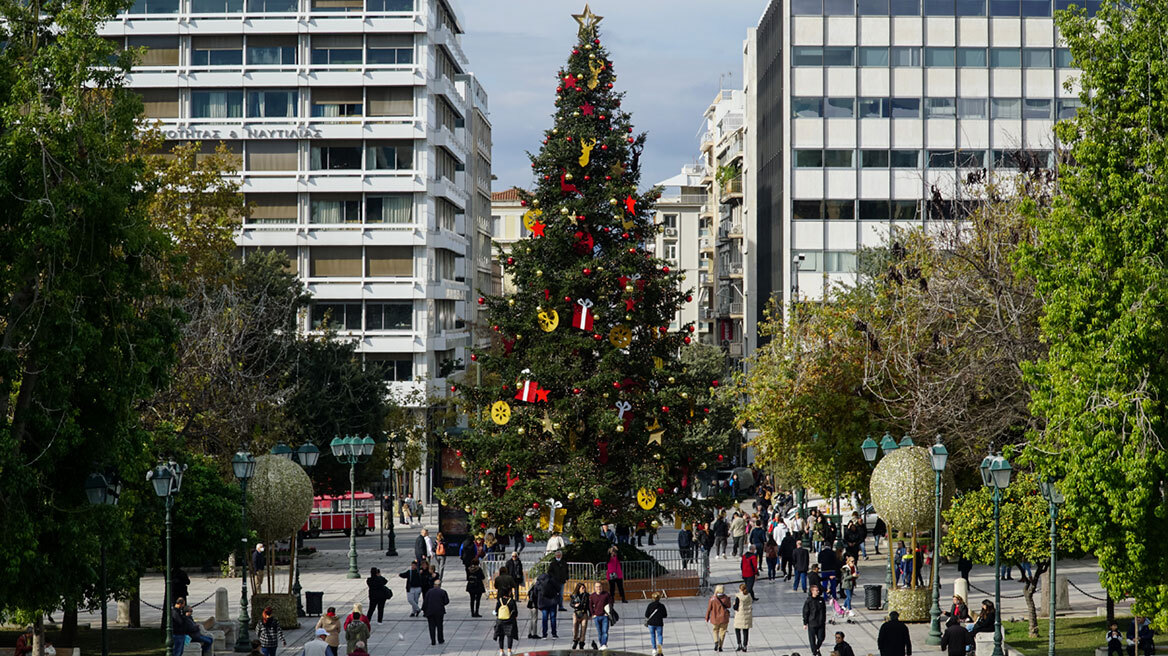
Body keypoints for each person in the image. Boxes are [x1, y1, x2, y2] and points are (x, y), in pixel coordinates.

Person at [421, 579, 449, 645]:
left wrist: (424, 610)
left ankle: (433, 641)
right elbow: (446, 601)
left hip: (430, 611)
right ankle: (440, 639)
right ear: (439, 585)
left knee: (431, 627)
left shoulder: (429, 592)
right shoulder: (443, 592)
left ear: (434, 585)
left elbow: (425, 602)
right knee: (439, 626)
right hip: (439, 611)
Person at [802, 584, 827, 656]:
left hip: (821, 622)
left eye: (818, 590)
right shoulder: (809, 601)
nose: (818, 592)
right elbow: (805, 612)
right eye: (816, 590)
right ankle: (814, 652)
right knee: (812, 639)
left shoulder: (821, 600)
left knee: (821, 637)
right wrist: (805, 623)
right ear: (812, 591)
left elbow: (824, 610)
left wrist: (824, 619)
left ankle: (817, 648)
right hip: (812, 622)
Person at [706, 584, 732, 652]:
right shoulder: (726, 598)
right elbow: (729, 606)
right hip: (724, 618)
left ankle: (716, 641)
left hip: (715, 618)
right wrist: (729, 599)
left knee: (715, 630)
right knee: (722, 632)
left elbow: (709, 609)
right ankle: (720, 646)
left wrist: (707, 617)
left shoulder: (712, 599)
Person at [588, 581, 614, 650]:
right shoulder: (592, 596)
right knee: (599, 632)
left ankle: (604, 644)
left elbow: (611, 603)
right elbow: (590, 606)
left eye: (599, 586)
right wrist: (593, 614)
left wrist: (608, 612)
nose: (598, 588)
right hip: (596, 617)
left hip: (604, 616)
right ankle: (601, 644)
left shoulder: (606, 594)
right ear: (594, 588)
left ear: (602, 587)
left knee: (605, 631)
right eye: (597, 587)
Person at [494, 588, 519, 656]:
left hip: (500, 621)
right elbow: (515, 612)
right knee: (509, 635)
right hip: (509, 621)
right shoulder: (512, 601)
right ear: (509, 593)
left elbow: (496, 611)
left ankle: (501, 651)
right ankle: (509, 651)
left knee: (501, 636)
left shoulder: (499, 601)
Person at [536, 572, 559, 639]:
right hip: (552, 602)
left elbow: (536, 590)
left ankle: (544, 634)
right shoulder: (552, 580)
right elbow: (558, 588)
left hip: (543, 602)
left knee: (544, 618)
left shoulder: (539, 581)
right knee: (553, 618)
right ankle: (554, 634)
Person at [732, 582, 753, 652]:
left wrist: (734, 604)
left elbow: (735, 607)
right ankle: (745, 645)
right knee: (745, 631)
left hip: (739, 615)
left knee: (737, 629)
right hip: (747, 615)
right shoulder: (749, 596)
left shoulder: (738, 597)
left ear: (740, 589)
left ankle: (739, 644)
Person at [644, 592, 668, 656]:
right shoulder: (662, 606)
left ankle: (654, 649)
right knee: (659, 635)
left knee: (652, 636)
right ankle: (659, 649)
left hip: (651, 623)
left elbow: (646, 615)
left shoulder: (650, 605)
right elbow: (665, 615)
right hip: (659, 623)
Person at [570, 582, 591, 650]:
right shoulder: (574, 595)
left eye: (584, 588)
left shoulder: (587, 595)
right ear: (579, 589)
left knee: (583, 629)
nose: (583, 589)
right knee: (575, 628)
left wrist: (590, 614)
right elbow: (571, 603)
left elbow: (589, 606)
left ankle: (581, 643)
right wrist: (574, 605)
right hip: (576, 613)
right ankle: (575, 640)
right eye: (582, 588)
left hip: (584, 613)